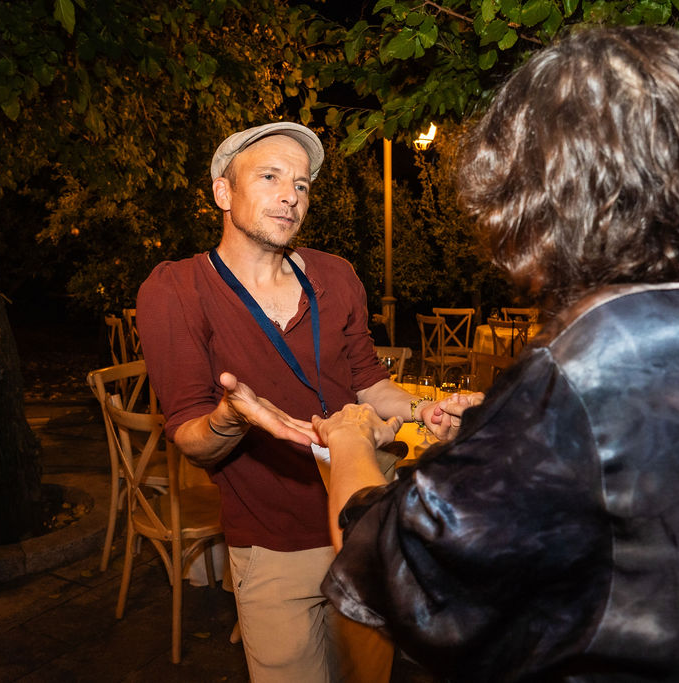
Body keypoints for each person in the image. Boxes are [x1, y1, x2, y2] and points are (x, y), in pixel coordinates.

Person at [313, 26, 679, 682]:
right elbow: (663, 506)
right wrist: (495, 447)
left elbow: (400, 573)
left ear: (546, 194)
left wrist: (348, 445)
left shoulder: (587, 366)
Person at [135, 122, 456, 682]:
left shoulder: (336, 275)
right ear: (223, 192)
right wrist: (230, 418)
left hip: (364, 521)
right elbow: (189, 436)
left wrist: (421, 410)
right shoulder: (176, 290)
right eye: (270, 177)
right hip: (272, 543)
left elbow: (369, 382)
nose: (291, 196)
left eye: (302, 184)